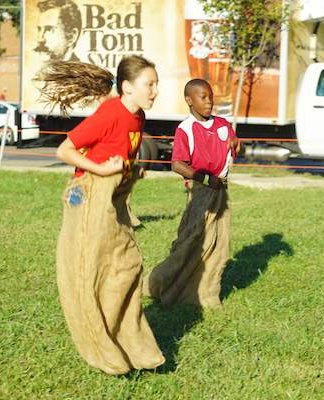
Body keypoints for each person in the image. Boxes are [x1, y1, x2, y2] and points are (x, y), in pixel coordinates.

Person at [33, 55, 165, 375]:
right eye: (150, 84)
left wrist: (130, 171)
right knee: (86, 273)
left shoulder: (139, 116)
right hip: (88, 194)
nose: (156, 90)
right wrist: (102, 169)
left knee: (128, 265)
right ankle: (100, 348)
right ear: (128, 87)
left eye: (157, 83)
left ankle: (129, 343)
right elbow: (65, 150)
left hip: (113, 198)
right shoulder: (110, 114)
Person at [142, 79, 244, 308]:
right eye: (203, 97)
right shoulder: (185, 129)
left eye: (211, 97)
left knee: (219, 245)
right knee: (191, 241)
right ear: (189, 100)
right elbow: (177, 164)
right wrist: (207, 179)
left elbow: (238, 146)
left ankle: (204, 294)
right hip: (200, 191)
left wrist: (238, 145)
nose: (209, 101)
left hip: (220, 191)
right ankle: (160, 283)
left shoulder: (222, 125)